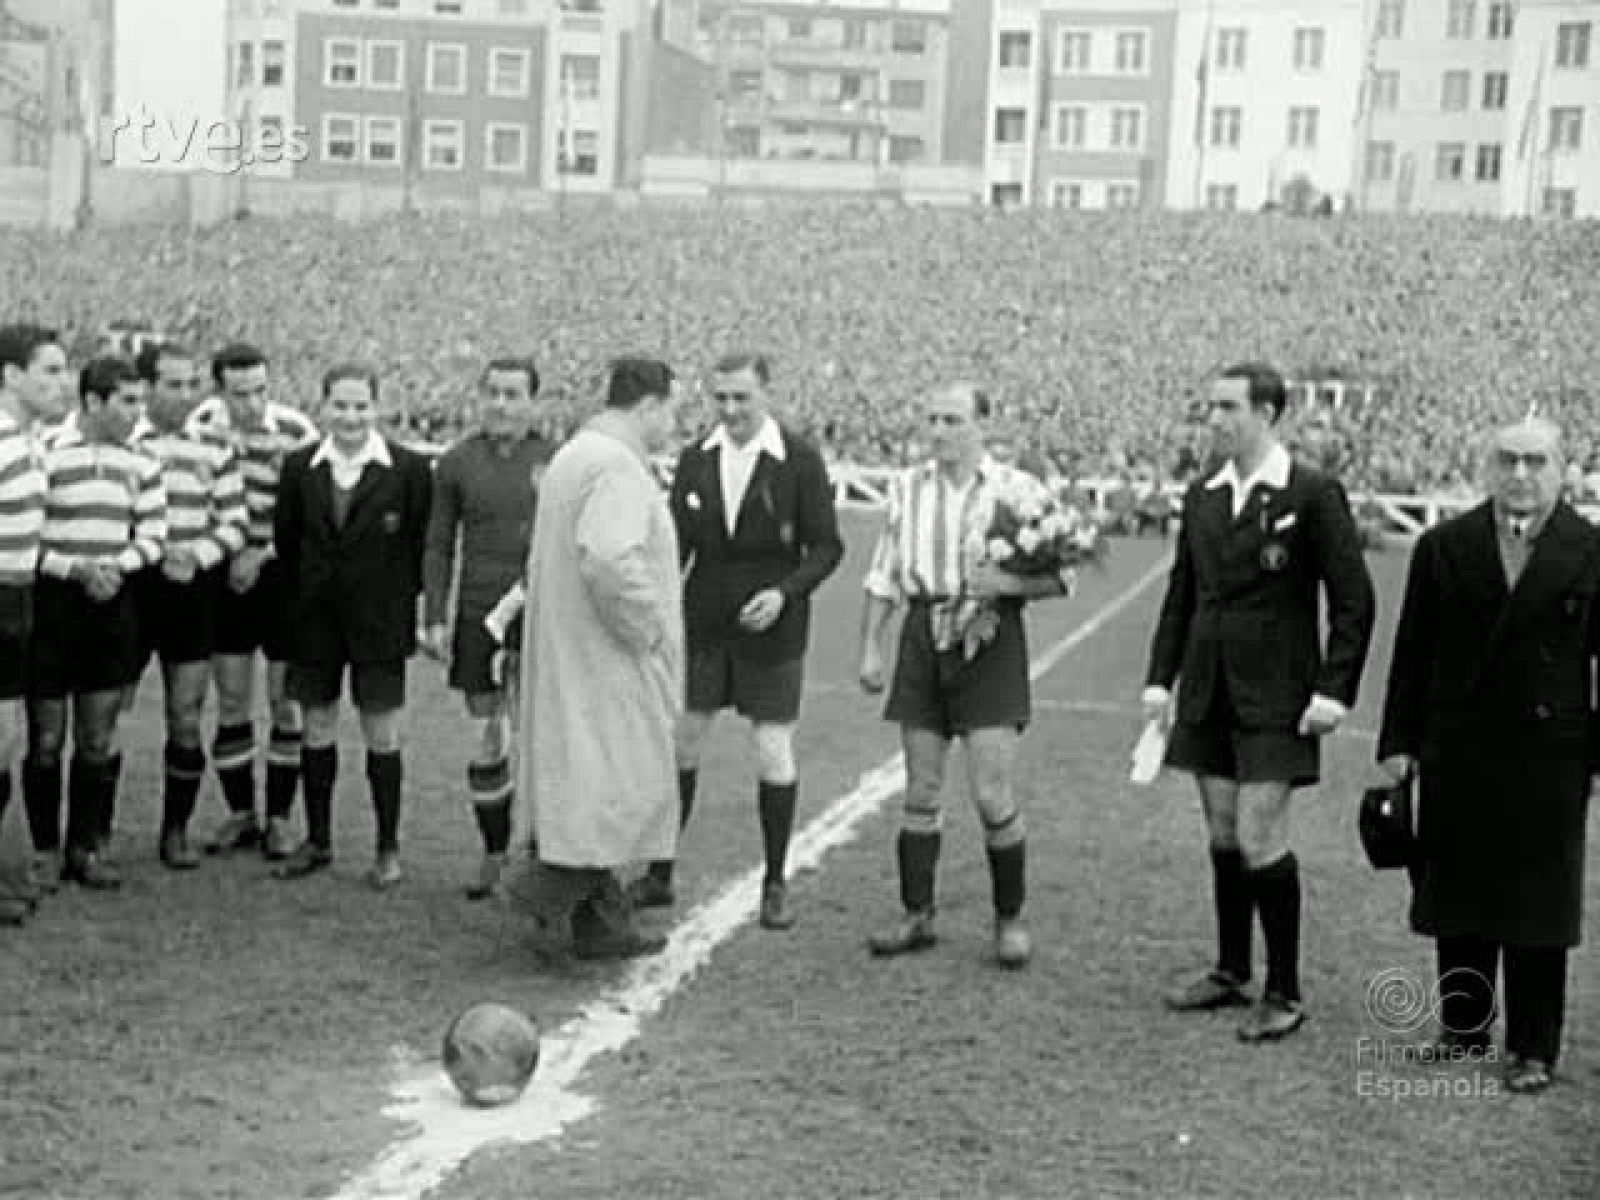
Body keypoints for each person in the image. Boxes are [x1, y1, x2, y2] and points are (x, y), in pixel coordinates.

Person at [1142, 363, 1375, 1042]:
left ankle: (1285, 988)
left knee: (1258, 832)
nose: (1214, 420)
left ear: (1268, 414)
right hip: (1209, 687)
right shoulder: (1204, 494)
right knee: (1220, 830)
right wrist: (1161, 680)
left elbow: (1354, 599)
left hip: (1280, 695)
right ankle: (1231, 969)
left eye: (1229, 407)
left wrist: (1335, 690)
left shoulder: (1312, 491)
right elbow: (1182, 592)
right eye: (1209, 406)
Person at [1376, 414, 1597, 1094]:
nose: (1520, 475)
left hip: (1551, 752)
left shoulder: (1591, 550)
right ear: (1487, 468)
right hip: (1459, 746)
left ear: (1563, 471)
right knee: (1461, 895)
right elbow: (1411, 652)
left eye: (1536, 462)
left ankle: (1534, 1046)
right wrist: (1399, 743)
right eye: (1507, 460)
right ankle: (1463, 1029)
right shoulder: (1445, 546)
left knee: (1538, 903)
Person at [857, 382, 1072, 969]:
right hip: (924, 636)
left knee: (990, 792)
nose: (939, 430)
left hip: (991, 641)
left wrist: (1006, 586)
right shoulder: (907, 489)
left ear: (982, 423)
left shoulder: (1017, 490)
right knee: (921, 788)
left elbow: (1059, 578)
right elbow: (883, 575)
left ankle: (1010, 918)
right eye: (931, 419)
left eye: (952, 419)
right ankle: (916, 913)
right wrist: (871, 649)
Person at [629, 353, 842, 929]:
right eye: (720, 398)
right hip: (703, 626)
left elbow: (826, 547)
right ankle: (659, 871)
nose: (730, 410)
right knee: (683, 742)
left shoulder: (798, 461)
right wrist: (656, 607)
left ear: (766, 394)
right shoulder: (698, 459)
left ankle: (775, 881)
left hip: (773, 632)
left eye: (741, 398)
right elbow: (675, 545)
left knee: (771, 748)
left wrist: (784, 594)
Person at [511, 357, 682, 962]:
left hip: (570, 645)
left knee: (588, 780)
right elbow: (609, 557)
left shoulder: (577, 453)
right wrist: (648, 628)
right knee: (620, 785)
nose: (672, 424)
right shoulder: (616, 466)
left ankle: (602, 925)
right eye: (671, 411)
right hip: (604, 652)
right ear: (649, 406)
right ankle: (541, 889)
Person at [271, 363, 432, 887]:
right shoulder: (299, 468)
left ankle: (388, 848)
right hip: (314, 620)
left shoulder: (406, 469)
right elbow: (288, 541)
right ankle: (318, 840)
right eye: (340, 405)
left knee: (380, 731)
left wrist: (399, 605)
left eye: (361, 406)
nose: (350, 416)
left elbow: (417, 545)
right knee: (316, 727)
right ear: (323, 407)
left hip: (379, 623)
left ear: (377, 408)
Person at [23, 356, 165, 891]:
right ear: (92, 402)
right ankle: (43, 849)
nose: (138, 412)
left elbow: (154, 535)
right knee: (46, 736)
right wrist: (74, 569)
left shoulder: (143, 461)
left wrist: (115, 568)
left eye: (139, 400)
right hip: (56, 606)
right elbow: (25, 536)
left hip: (112, 605)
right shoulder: (46, 453)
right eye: (127, 401)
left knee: (97, 735)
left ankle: (86, 845)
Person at [421, 357, 553, 900]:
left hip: (542, 616)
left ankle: (547, 854)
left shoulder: (555, 461)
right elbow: (438, 543)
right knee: (486, 735)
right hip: (479, 618)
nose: (502, 403)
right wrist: (434, 615)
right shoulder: (456, 463)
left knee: (543, 737)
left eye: (514, 393)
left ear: (533, 401)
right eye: (494, 392)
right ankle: (494, 852)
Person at [190, 344, 318, 860]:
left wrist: (262, 552)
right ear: (220, 391)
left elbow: (309, 517)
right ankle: (241, 813)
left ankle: (282, 818)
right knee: (233, 698)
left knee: (286, 701)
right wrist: (231, 553)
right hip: (225, 577)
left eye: (261, 390)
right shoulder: (201, 431)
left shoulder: (294, 431)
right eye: (241, 394)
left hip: (280, 576)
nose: (254, 403)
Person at [126, 342, 248, 868]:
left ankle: (174, 831)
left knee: (186, 711)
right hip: (133, 587)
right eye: (172, 384)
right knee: (106, 712)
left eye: (191, 384)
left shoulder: (215, 449)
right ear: (148, 387)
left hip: (191, 589)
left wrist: (197, 554)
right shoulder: (124, 445)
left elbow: (235, 522)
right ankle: (89, 837)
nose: (185, 395)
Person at [0, 325, 69, 923]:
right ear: (11, 376)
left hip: (20, 600)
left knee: (8, 741)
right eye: (49, 370)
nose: (62, 381)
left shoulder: (34, 438)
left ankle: (4, 869)